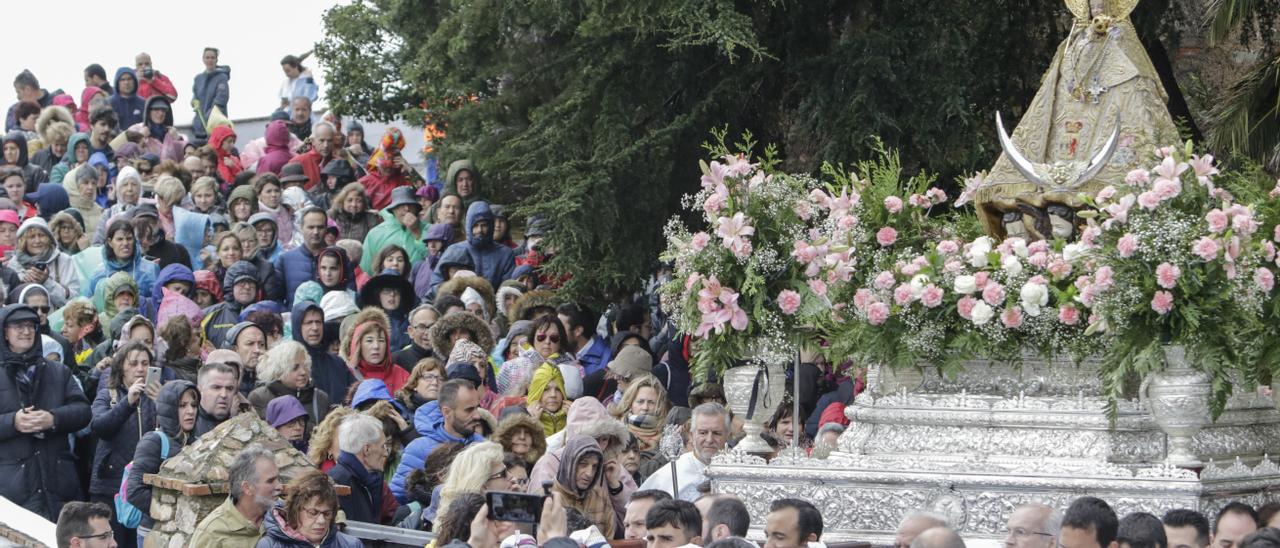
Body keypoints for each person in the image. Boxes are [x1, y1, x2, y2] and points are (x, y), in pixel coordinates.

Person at [0, 304, 91, 521]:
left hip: (58, 481)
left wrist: (53, 418)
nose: (26, 331)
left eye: (31, 325)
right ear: (5, 332)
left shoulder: (58, 371)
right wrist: (14, 422)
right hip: (12, 487)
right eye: (18, 326)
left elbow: (84, 411)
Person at [88, 341, 159, 547]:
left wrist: (163, 401)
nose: (140, 368)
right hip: (110, 486)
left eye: (145, 363)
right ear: (121, 367)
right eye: (134, 363)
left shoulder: (156, 397)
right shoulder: (108, 395)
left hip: (144, 486)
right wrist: (127, 402)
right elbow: (99, 426)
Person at [125, 379, 199, 544]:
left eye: (194, 405)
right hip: (154, 533)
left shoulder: (199, 442)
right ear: (169, 409)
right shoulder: (154, 441)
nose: (190, 411)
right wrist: (174, 511)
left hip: (185, 535)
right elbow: (134, 492)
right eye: (182, 405)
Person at [391, 379, 484, 503]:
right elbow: (398, 499)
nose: (477, 415)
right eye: (469, 410)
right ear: (446, 412)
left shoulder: (483, 447)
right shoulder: (418, 449)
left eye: (477, 408)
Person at [191, 444, 282, 548]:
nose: (279, 486)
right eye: (270, 481)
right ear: (247, 488)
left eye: (278, 479)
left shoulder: (283, 516)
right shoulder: (211, 533)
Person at [639, 402, 728, 501]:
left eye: (716, 433)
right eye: (703, 432)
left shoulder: (737, 469)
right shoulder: (672, 472)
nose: (709, 439)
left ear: (727, 435)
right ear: (692, 435)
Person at [429, 201, 515, 297]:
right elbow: (435, 285)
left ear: (491, 226)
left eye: (484, 225)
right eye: (475, 225)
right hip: (456, 306)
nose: (480, 230)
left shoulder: (505, 254)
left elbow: (507, 290)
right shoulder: (454, 250)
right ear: (468, 226)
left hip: (492, 307)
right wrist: (452, 290)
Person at [258, 470, 362, 548]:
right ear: (295, 511)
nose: (321, 521)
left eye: (327, 514)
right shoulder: (269, 545)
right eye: (313, 512)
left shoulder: (352, 545)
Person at [326, 414, 393, 524]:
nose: (386, 453)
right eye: (383, 446)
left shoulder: (372, 479)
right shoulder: (336, 483)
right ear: (366, 449)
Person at [553, 435, 622, 538]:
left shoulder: (601, 496)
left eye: (594, 466)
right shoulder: (546, 497)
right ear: (569, 463)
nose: (589, 473)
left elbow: (610, 538)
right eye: (583, 464)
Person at [249, 340, 331, 424]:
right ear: (278, 372)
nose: (303, 372)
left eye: (305, 366)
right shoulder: (259, 397)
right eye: (295, 368)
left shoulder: (320, 398)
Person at [8, 216, 79, 306]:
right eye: (32, 237)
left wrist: (46, 282)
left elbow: (73, 300)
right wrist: (23, 280)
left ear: (49, 238)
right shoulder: (14, 264)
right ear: (23, 241)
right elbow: (8, 302)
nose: (37, 241)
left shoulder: (63, 260)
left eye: (41, 235)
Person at [435, 441, 512, 522]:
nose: (512, 477)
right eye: (504, 474)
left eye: (508, 470)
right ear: (483, 485)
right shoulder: (476, 526)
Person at [83, 218, 158, 299]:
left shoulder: (150, 270)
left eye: (129, 238)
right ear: (110, 242)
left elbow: (158, 302)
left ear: (134, 240)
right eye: (120, 239)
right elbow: (86, 303)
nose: (125, 243)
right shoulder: (98, 274)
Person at [341, 307, 410, 394]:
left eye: (381, 340)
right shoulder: (345, 375)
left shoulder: (401, 375)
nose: (376, 346)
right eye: (369, 341)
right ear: (357, 345)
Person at [360, 186, 426, 274]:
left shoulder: (429, 229)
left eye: (410, 205)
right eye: (401, 205)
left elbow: (433, 259)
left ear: (416, 208)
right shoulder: (376, 233)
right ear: (393, 209)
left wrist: (416, 231)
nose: (406, 209)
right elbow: (365, 269)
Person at [559, 303, 610, 378]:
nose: (555, 332)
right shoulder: (558, 353)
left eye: (560, 327)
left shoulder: (606, 361)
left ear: (578, 331)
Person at [192, 47, 231, 141]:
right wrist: (194, 101)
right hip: (200, 125)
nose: (210, 60)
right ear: (203, 59)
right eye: (207, 57)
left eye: (212, 58)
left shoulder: (222, 77)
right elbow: (195, 94)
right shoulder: (198, 78)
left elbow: (221, 98)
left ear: (216, 60)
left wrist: (209, 116)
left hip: (216, 122)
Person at [288, 122, 339, 191]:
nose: (326, 145)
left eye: (329, 141)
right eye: (321, 140)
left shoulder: (340, 163)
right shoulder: (297, 163)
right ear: (313, 141)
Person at [197, 361, 239, 435]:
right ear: (199, 390)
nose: (224, 394)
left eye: (229, 388)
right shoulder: (186, 426)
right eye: (216, 387)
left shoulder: (242, 426)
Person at [393, 304, 439, 371]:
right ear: (411, 331)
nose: (427, 332)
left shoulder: (447, 358)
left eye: (432, 326)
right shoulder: (397, 360)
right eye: (421, 327)